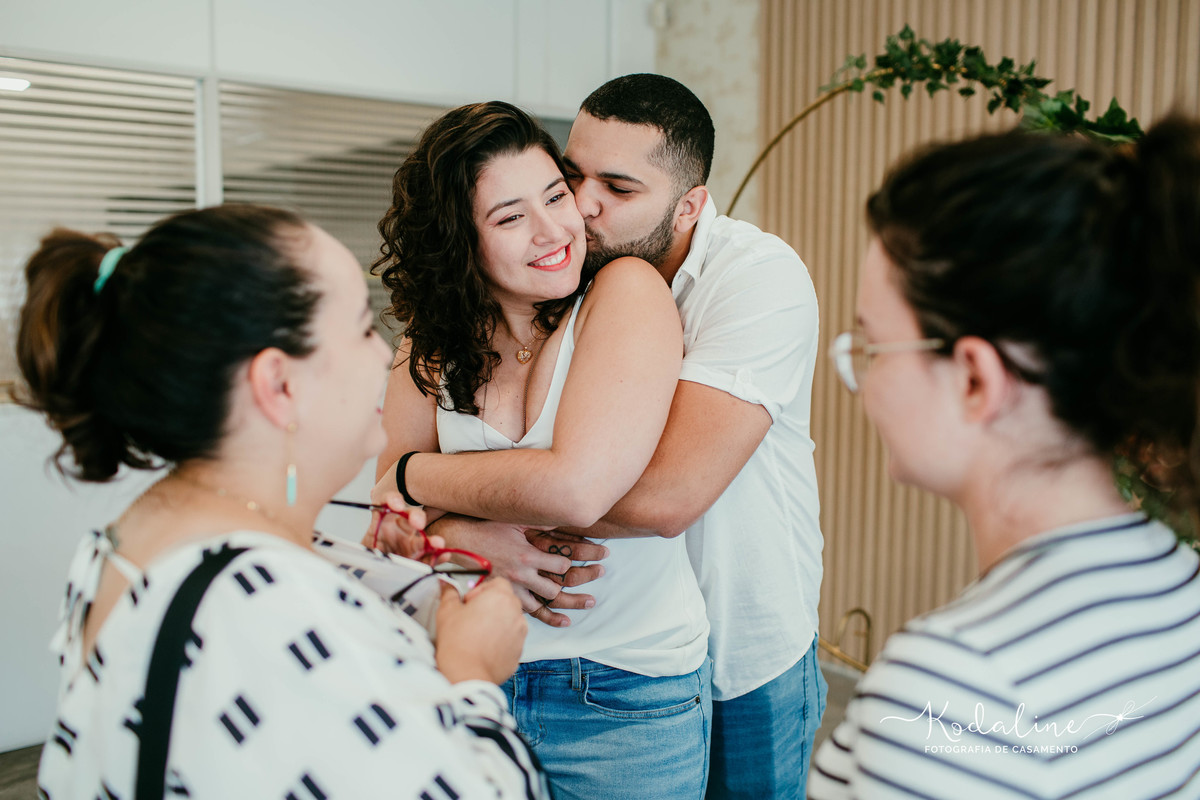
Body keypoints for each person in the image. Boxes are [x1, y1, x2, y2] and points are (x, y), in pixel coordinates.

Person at [16, 205, 550, 798]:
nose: (384, 355)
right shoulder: (261, 599)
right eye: (361, 328)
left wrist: (395, 585)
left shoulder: (129, 541)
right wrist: (471, 672)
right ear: (278, 384)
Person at [808, 119, 1200, 799]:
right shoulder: (1183, 587)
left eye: (872, 348)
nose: (862, 383)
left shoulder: (954, 693)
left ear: (974, 379)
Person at [371, 101, 711, 799]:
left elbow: (577, 489)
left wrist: (413, 475)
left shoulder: (624, 292)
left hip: (621, 691)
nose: (555, 228)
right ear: (461, 241)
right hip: (465, 667)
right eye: (509, 217)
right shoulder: (429, 344)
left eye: (555, 196)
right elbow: (384, 524)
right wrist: (456, 534)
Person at [555, 73, 825, 799]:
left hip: (745, 651)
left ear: (689, 206)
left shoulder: (758, 278)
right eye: (572, 174)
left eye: (617, 187)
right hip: (618, 660)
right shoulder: (566, 271)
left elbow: (666, 496)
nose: (581, 205)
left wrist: (469, 516)